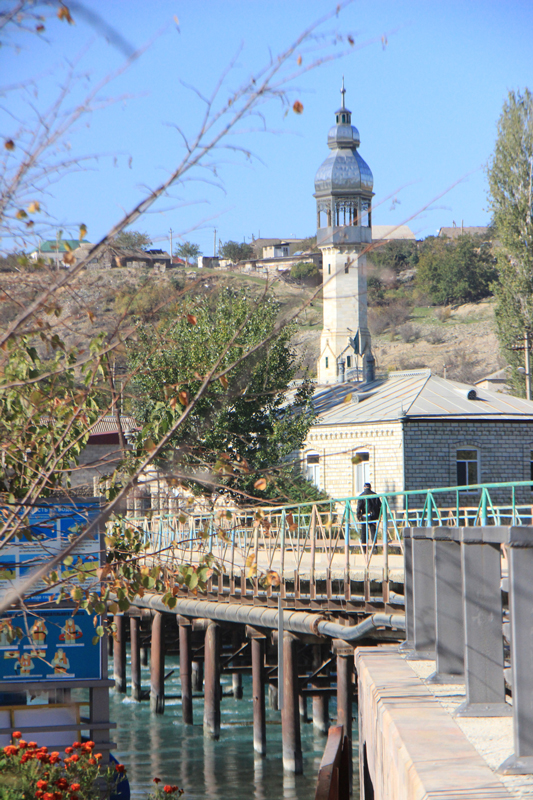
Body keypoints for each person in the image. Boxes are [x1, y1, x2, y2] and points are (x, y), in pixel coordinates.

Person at [356, 482, 381, 553]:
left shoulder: (361, 495)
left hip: (364, 516)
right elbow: (379, 506)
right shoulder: (375, 495)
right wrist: (378, 516)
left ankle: (364, 550)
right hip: (373, 517)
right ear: (370, 487)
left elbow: (358, 508)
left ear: (364, 488)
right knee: (373, 532)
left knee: (363, 533)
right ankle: (374, 549)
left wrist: (359, 516)